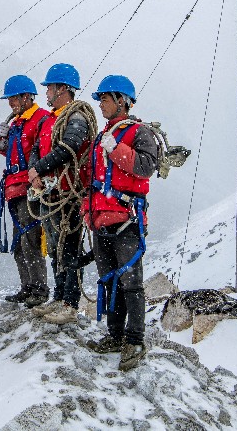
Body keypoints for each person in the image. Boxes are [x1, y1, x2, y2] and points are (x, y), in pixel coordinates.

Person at [82, 75, 158, 371]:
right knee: (110, 279)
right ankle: (115, 336)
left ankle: (135, 339)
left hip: (126, 219)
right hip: (101, 219)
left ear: (121, 100)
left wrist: (116, 150)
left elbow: (145, 167)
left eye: (105, 99)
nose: (100, 104)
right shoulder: (103, 137)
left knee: (130, 283)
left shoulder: (140, 133)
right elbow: (91, 180)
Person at [27, 63, 96, 325]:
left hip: (70, 192)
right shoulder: (49, 120)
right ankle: (58, 297)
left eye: (50, 88)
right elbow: (37, 148)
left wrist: (38, 170)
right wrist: (37, 173)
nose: (46, 92)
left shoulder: (76, 117)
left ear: (63, 89)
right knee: (55, 248)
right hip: (51, 192)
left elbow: (68, 148)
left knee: (69, 247)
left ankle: (70, 302)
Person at [0, 75, 52, 308]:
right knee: (19, 240)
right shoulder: (17, 122)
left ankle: (39, 289)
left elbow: (41, 153)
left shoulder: (40, 120)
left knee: (31, 239)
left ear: (27, 97)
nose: (10, 104)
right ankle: (27, 287)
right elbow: (10, 153)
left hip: (29, 187)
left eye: (14, 98)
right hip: (14, 187)